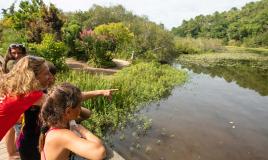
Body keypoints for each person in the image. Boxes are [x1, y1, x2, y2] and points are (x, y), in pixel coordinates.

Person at [39, 83, 106, 160]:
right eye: (79, 105)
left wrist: (75, 108)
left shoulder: (56, 122)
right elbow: (100, 152)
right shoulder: (62, 135)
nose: (81, 108)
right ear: (68, 112)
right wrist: (82, 130)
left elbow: (87, 113)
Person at [0, 55, 51, 140]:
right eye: (46, 73)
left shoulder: (10, 86)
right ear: (34, 76)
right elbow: (59, 101)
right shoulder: (29, 95)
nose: (50, 76)